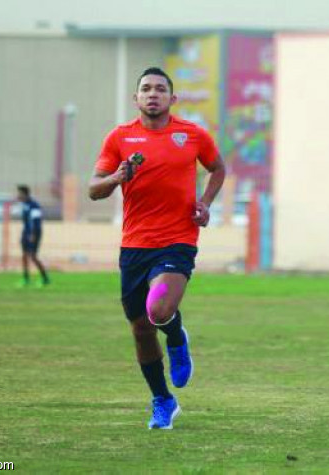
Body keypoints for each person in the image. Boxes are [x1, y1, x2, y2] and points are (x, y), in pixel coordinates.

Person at [89, 67, 225, 430]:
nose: (153, 94)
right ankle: (163, 400)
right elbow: (93, 189)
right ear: (136, 98)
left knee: (159, 309)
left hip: (177, 241)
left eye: (160, 89)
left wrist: (205, 202)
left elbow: (217, 168)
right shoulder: (119, 138)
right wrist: (116, 177)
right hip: (134, 246)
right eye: (146, 89)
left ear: (172, 98)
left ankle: (177, 338)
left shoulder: (192, 135)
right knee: (141, 329)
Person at [17, 185, 50, 287]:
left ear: (24, 194)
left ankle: (45, 278)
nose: (18, 195)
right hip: (26, 233)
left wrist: (33, 234)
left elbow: (36, 221)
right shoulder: (24, 205)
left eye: (19, 193)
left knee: (33, 257)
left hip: (34, 233)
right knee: (24, 256)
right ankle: (26, 279)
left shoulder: (34, 205)